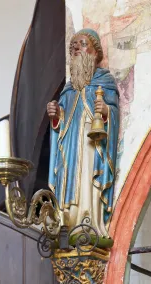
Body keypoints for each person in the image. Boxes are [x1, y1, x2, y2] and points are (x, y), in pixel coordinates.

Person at [47, 29, 119, 236]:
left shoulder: (105, 81)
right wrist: (55, 115)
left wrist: (106, 112)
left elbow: (113, 111)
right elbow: (60, 123)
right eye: (72, 46)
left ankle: (90, 221)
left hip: (92, 145)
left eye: (82, 44)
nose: (76, 48)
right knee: (70, 177)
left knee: (88, 179)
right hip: (70, 149)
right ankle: (68, 219)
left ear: (95, 53)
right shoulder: (68, 89)